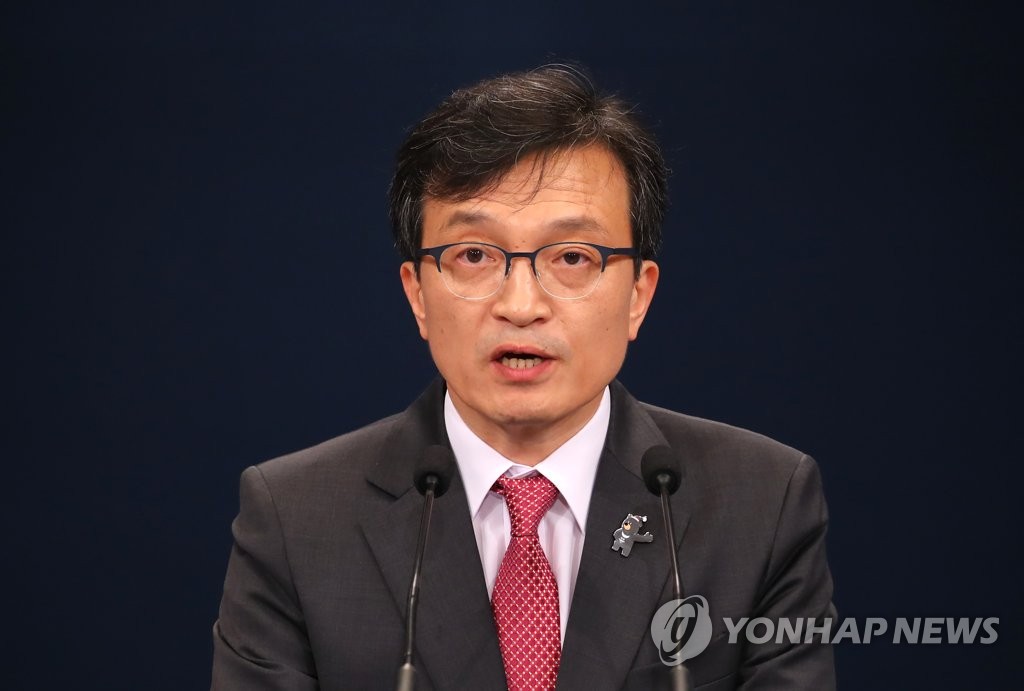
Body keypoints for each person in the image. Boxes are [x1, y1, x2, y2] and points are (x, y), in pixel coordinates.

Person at [211, 65, 836, 691]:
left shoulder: (761, 503)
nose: (520, 304)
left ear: (639, 296)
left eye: (572, 257)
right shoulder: (295, 520)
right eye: (474, 255)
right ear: (418, 294)